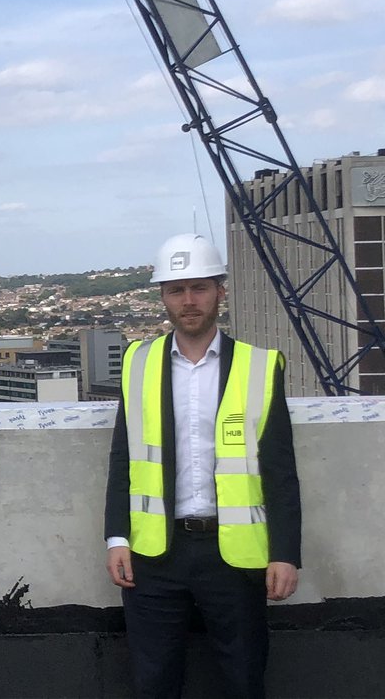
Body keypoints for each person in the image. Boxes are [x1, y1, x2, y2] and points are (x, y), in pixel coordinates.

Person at [104, 233, 301, 699]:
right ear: (163, 297)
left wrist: (286, 552)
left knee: (244, 678)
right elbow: (122, 457)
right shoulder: (138, 362)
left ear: (220, 292)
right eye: (176, 290)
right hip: (154, 554)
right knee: (154, 682)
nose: (188, 301)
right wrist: (116, 537)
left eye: (199, 288)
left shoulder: (259, 366)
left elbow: (280, 469)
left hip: (234, 556)